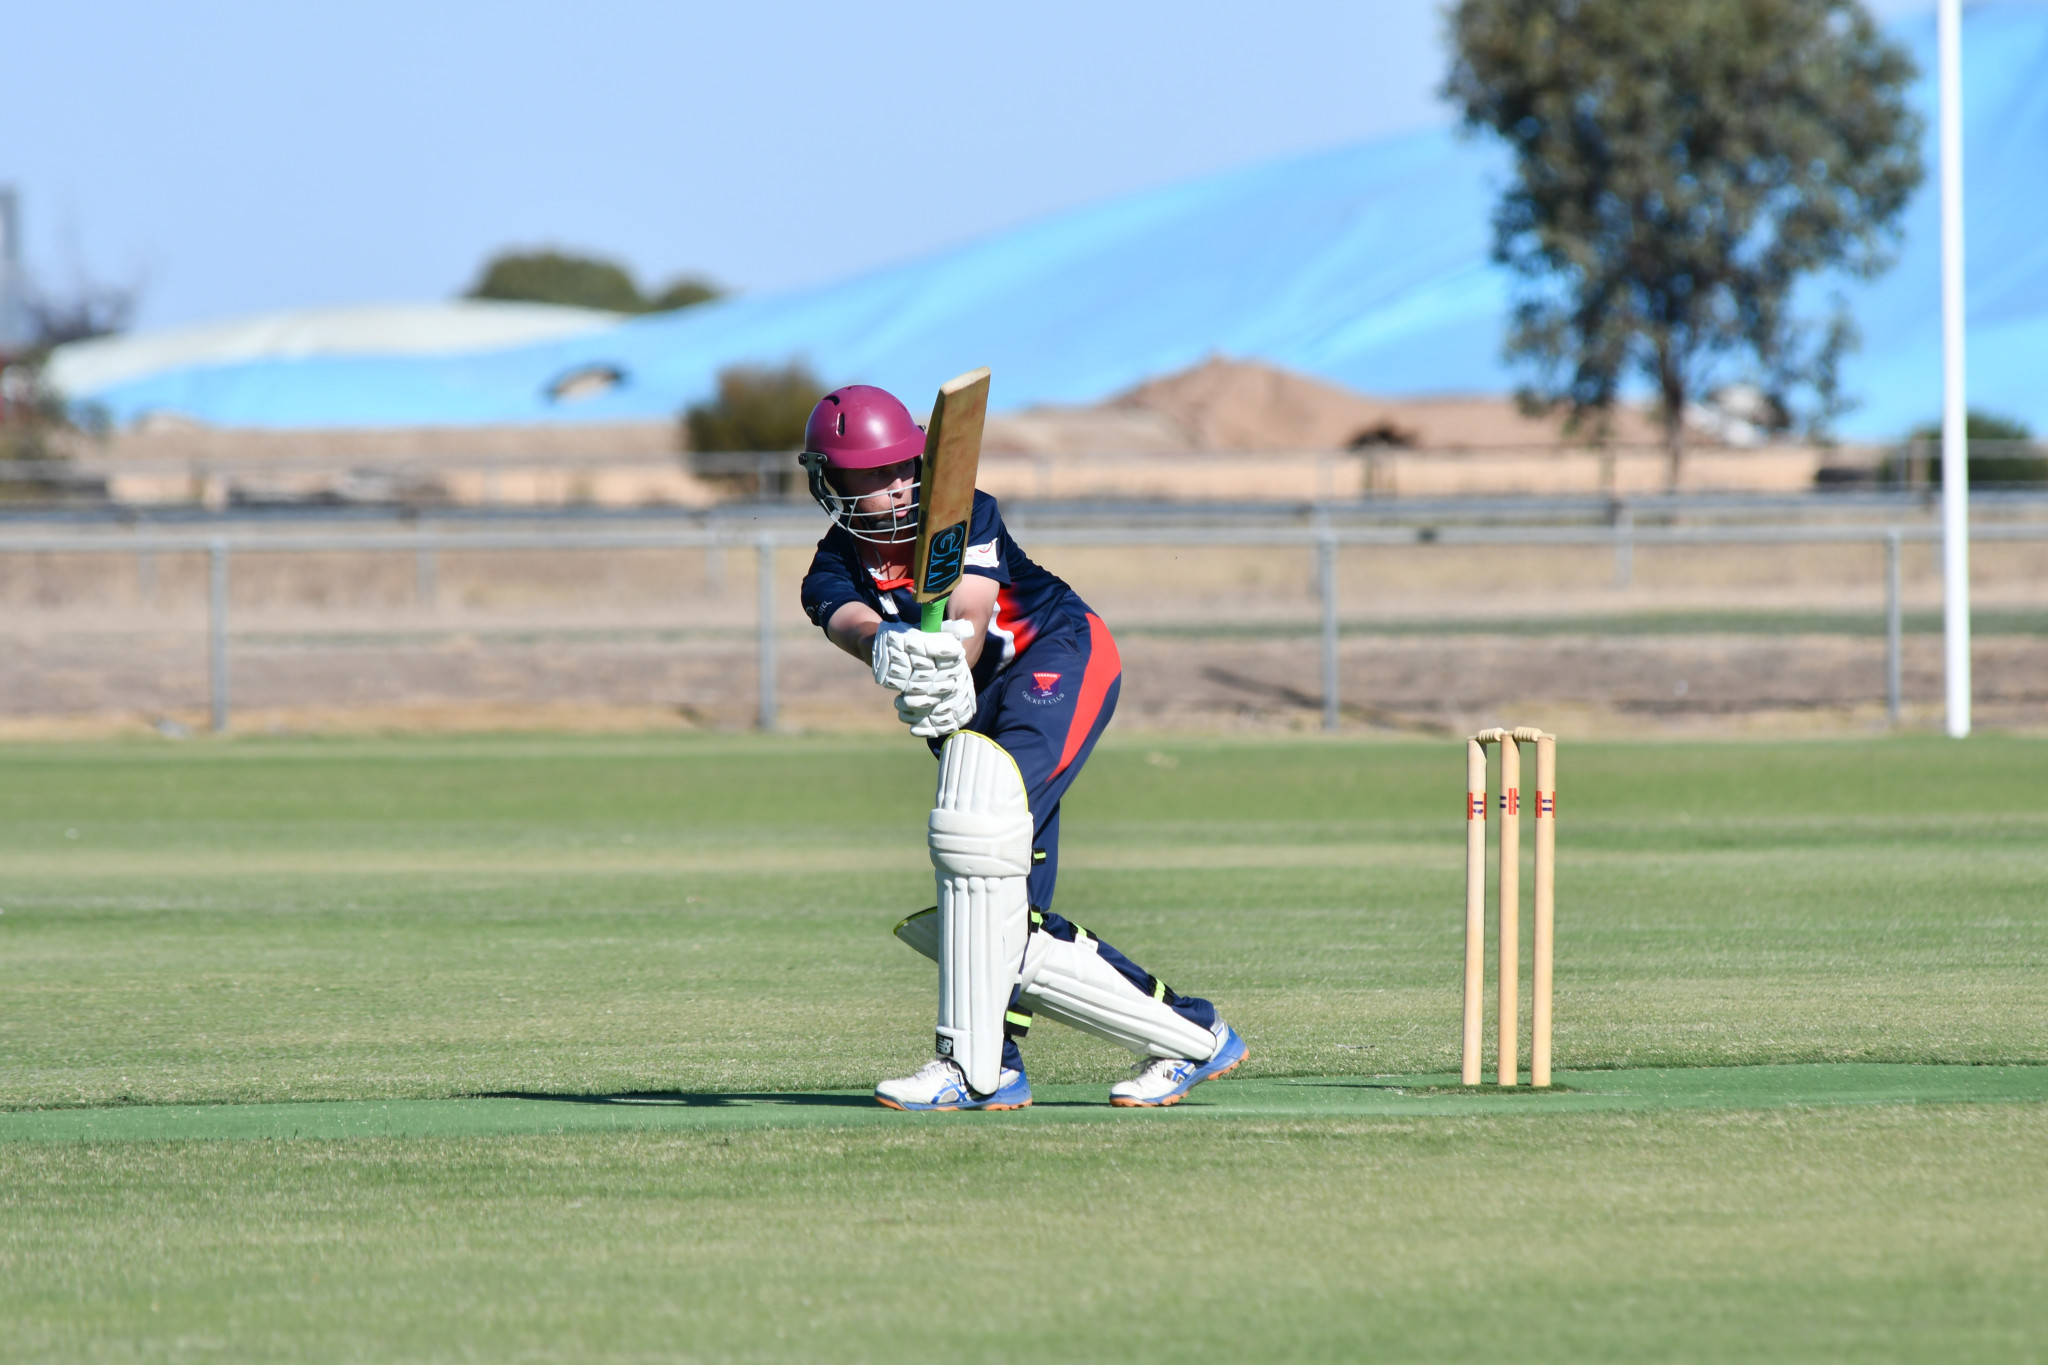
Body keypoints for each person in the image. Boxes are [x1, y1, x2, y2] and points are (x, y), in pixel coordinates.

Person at [797, 382, 1247, 1111]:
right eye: (876, 474)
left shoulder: (961, 511)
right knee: (999, 894)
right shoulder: (832, 568)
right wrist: (888, 648)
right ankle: (1146, 1040)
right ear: (833, 484)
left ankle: (971, 1066)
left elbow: (971, 612)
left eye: (906, 465)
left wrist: (949, 651)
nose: (901, 484)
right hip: (969, 711)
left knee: (978, 838)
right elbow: (850, 621)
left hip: (1057, 659)